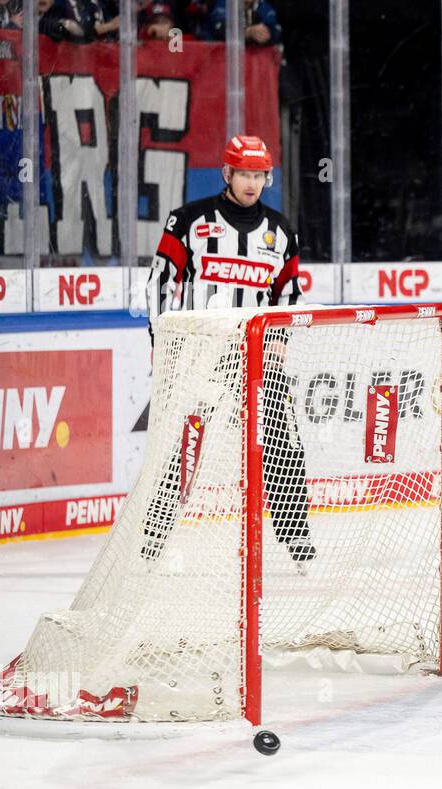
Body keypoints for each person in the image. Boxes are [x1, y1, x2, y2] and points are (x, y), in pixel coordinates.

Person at [143, 134, 313, 565]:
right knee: (188, 443)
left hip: (258, 355)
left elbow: (288, 294)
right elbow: (162, 282)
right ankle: (154, 538)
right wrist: (162, 341)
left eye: (259, 174)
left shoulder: (280, 230)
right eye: (244, 174)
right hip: (205, 354)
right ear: (227, 174)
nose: (252, 183)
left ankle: (298, 543)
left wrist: (278, 343)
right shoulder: (188, 221)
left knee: (283, 445)